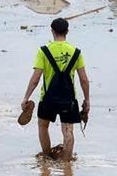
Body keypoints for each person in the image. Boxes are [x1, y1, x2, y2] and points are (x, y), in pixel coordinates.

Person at [21, 18, 90, 161]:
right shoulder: (76, 52)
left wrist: (26, 97)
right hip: (68, 99)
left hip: (47, 99)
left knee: (43, 126)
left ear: (52, 31)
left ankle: (47, 158)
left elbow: (36, 79)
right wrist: (87, 99)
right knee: (68, 130)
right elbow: (84, 79)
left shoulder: (43, 51)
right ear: (67, 32)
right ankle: (66, 162)